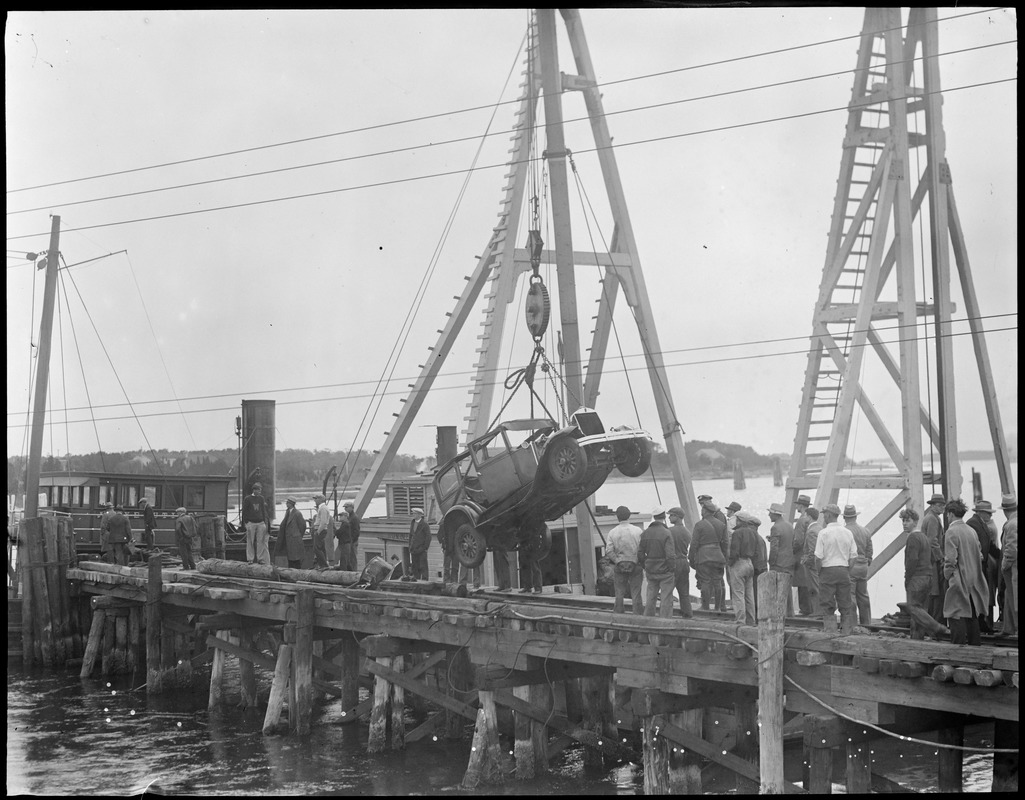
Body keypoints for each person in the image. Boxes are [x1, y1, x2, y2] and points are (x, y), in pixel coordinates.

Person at [942, 498, 989, 646]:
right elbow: (980, 555)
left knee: (955, 613)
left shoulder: (951, 532)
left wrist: (947, 575)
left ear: (950, 514)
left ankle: (958, 649)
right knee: (971, 614)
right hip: (973, 579)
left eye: (947, 514)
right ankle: (975, 646)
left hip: (958, 579)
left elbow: (950, 559)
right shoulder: (971, 531)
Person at [814, 503, 857, 632]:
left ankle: (830, 631)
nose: (824, 517)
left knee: (827, 602)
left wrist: (819, 572)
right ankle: (846, 631)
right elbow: (854, 556)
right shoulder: (847, 533)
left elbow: (818, 558)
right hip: (843, 570)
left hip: (827, 570)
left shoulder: (823, 533)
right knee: (845, 602)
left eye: (824, 515)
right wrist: (847, 570)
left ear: (828, 515)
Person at [638, 506, 676, 618]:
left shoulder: (645, 533)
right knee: (666, 597)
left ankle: (648, 618)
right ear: (664, 516)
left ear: (654, 517)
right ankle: (665, 619)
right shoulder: (666, 533)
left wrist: (645, 565)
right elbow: (670, 555)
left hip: (650, 569)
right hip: (665, 570)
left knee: (651, 595)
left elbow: (640, 553)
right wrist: (671, 568)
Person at [966, 500, 998, 632]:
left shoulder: (981, 524)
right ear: (980, 512)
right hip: (976, 565)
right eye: (988, 513)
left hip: (982, 565)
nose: (990, 515)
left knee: (982, 594)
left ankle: (982, 623)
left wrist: (999, 555)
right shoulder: (972, 524)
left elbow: (989, 545)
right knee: (977, 594)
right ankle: (978, 624)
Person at [605, 505, 644, 614]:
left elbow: (609, 551)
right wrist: (637, 560)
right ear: (629, 515)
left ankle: (619, 614)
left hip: (619, 565)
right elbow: (642, 548)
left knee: (619, 592)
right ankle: (637, 615)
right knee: (636, 593)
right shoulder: (637, 530)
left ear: (617, 516)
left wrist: (617, 561)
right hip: (635, 564)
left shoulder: (612, 532)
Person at [690, 501, 728, 611]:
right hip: (718, 557)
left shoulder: (699, 525)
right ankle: (717, 608)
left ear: (705, 511)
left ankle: (705, 607)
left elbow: (694, 544)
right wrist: (724, 557)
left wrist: (691, 558)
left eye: (702, 509)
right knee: (717, 581)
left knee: (705, 581)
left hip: (703, 557)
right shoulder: (721, 525)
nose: (701, 511)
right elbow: (725, 543)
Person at [902, 508, 933, 640]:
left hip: (917, 578)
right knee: (922, 609)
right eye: (903, 521)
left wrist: (907, 579)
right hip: (928, 577)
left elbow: (912, 560)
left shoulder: (913, 538)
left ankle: (916, 639)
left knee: (914, 610)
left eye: (908, 521)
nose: (904, 524)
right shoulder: (924, 537)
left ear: (915, 522)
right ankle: (920, 637)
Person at [843, 504, 873, 626]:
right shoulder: (865, 531)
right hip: (863, 566)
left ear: (844, 517)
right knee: (863, 595)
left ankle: (853, 624)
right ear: (855, 517)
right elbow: (869, 551)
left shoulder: (844, 531)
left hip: (851, 565)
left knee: (850, 596)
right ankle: (867, 623)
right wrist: (867, 561)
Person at [728, 510, 759, 625]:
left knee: (738, 593)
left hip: (739, 563)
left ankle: (740, 620)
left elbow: (735, 551)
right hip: (749, 563)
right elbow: (756, 551)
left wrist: (730, 563)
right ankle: (751, 620)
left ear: (739, 520)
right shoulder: (753, 533)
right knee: (749, 594)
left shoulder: (737, 533)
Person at [766, 503, 796, 616]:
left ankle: (779, 614)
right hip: (789, 561)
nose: (769, 515)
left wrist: (771, 562)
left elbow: (774, 548)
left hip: (779, 563)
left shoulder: (775, 527)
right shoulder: (789, 525)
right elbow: (790, 542)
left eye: (770, 513)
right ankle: (790, 613)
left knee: (778, 589)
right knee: (787, 588)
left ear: (775, 514)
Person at [922, 492, 947, 623]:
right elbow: (932, 541)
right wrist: (941, 558)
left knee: (933, 592)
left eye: (943, 505)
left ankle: (932, 621)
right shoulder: (932, 519)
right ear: (932, 506)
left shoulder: (931, 517)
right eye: (939, 505)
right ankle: (935, 622)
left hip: (929, 558)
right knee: (935, 592)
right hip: (933, 560)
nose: (942, 507)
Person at [998, 493, 1017, 637]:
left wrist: (1004, 565)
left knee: (1014, 598)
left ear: (1004, 510)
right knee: (1009, 597)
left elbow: (1011, 550)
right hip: (1013, 569)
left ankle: (1013, 629)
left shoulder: (1011, 525)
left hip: (1013, 569)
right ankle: (1008, 628)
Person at [667, 506, 692, 617]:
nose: (669, 517)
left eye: (671, 515)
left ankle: (667, 613)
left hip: (673, 562)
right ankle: (687, 613)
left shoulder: (669, 531)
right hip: (684, 562)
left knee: (668, 591)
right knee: (684, 592)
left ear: (677, 517)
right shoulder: (687, 532)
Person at [792, 495, 814, 615]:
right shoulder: (809, 519)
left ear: (801, 505)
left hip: (800, 554)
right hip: (808, 553)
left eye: (797, 505)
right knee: (807, 581)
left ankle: (804, 609)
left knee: (801, 582)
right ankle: (810, 608)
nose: (796, 506)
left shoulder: (801, 520)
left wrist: (792, 550)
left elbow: (798, 540)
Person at [242, 482, 272, 566]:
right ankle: (250, 559)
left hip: (260, 523)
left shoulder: (261, 498)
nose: (260, 492)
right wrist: (246, 522)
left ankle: (260, 559)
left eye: (260, 490)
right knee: (250, 541)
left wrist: (264, 522)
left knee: (260, 542)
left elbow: (263, 510)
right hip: (251, 523)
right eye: (258, 490)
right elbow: (244, 511)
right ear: (254, 490)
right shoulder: (248, 499)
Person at [801, 506, 823, 617]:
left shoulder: (811, 531)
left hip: (812, 565)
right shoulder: (820, 528)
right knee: (819, 586)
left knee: (814, 587)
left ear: (809, 517)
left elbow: (813, 551)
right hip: (819, 563)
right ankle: (819, 611)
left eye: (805, 515)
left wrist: (806, 561)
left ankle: (817, 612)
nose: (803, 517)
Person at [279, 497, 306, 569]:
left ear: (291, 504)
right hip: (289, 538)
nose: (286, 504)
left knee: (296, 557)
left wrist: (298, 535)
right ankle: (291, 569)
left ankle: (297, 570)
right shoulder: (288, 512)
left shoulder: (297, 513)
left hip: (294, 538)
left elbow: (302, 526)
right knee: (290, 556)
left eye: (287, 502)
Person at [408, 507, 431, 580]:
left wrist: (424, 548)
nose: (413, 515)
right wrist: (410, 546)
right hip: (414, 550)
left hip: (421, 550)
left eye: (415, 513)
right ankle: (416, 581)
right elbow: (411, 536)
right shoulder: (412, 523)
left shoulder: (424, 524)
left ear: (419, 514)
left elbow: (428, 537)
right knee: (415, 567)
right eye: (413, 513)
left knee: (423, 567)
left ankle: (424, 583)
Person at [311, 493, 331, 569]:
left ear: (320, 499)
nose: (315, 500)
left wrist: (318, 531)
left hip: (320, 530)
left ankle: (323, 565)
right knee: (322, 548)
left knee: (317, 548)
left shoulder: (323, 509)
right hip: (321, 530)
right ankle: (324, 564)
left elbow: (323, 522)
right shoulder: (322, 508)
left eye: (316, 499)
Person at [334, 506, 353, 570]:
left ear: (345, 517)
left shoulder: (345, 524)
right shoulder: (344, 524)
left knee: (344, 559)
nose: (340, 517)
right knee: (346, 559)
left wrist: (335, 531)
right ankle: (349, 571)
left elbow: (339, 532)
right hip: (344, 543)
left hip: (345, 544)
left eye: (341, 516)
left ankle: (344, 571)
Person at [343, 501, 361, 571]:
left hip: (353, 541)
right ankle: (351, 570)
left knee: (353, 558)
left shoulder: (354, 517)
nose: (345, 509)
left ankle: (354, 571)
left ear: (351, 507)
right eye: (345, 507)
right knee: (350, 557)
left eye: (346, 507)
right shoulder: (350, 516)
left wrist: (352, 540)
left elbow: (356, 531)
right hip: (350, 540)